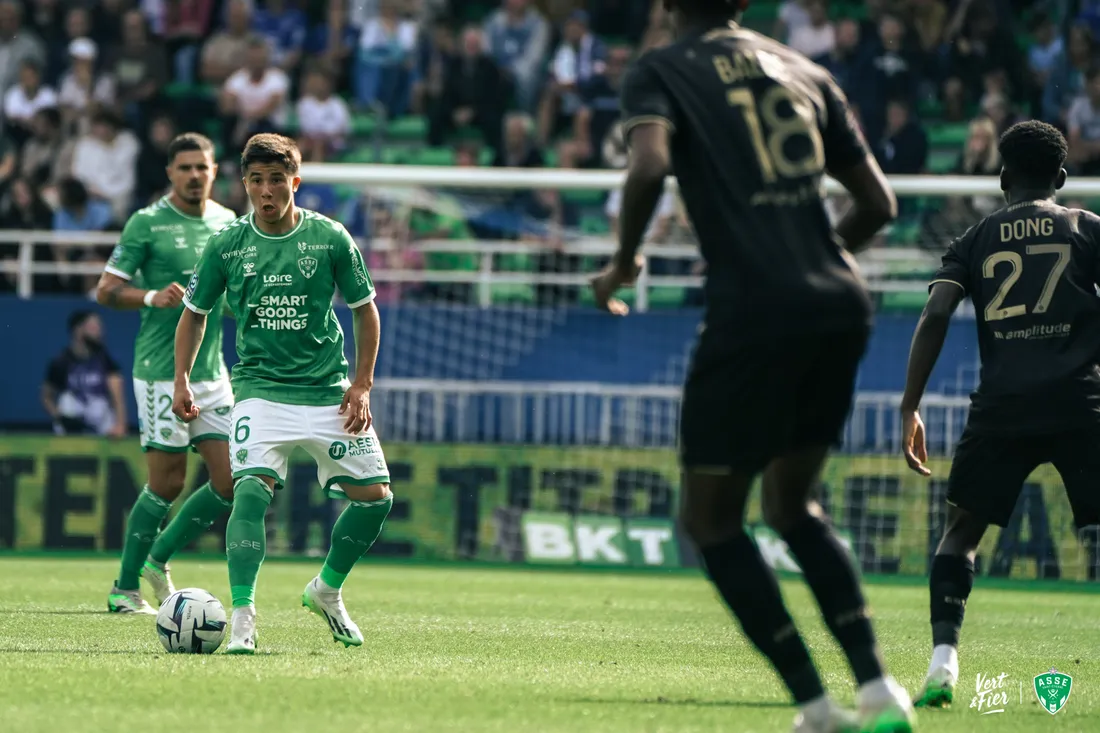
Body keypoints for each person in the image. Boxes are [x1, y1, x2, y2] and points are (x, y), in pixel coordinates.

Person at [588, 1, 914, 731]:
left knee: (711, 520)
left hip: (753, 310)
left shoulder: (662, 68)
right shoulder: (806, 69)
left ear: (669, 5)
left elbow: (648, 164)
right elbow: (878, 203)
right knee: (792, 507)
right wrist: (812, 263)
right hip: (841, 303)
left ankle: (815, 704)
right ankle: (877, 688)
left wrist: (624, 260)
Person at [901, 120, 1100, 708]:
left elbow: (936, 314)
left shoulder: (976, 238)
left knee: (960, 535)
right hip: (1082, 404)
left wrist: (910, 404)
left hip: (1003, 407)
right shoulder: (1089, 229)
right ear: (1061, 177)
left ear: (1002, 175)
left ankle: (943, 665)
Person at [174, 133, 391, 655]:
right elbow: (194, 315)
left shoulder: (331, 238)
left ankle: (327, 589)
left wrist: (361, 384)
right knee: (249, 490)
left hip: (326, 390)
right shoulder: (228, 243)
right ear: (244, 184)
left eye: (276, 180)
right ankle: (244, 618)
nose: (266, 190)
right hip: (260, 390)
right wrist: (181, 377)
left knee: (375, 501)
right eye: (256, 180)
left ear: (295, 182)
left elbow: (365, 310)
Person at [95, 132, 238, 614]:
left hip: (213, 371)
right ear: (170, 174)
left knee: (230, 480)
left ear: (215, 171)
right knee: (168, 482)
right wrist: (152, 296)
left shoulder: (228, 223)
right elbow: (106, 290)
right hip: (159, 371)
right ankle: (124, 587)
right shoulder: (148, 223)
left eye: (202, 167)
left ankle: (157, 559)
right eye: (185, 168)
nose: (195, 175)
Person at [41, 310, 126, 437]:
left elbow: (118, 394)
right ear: (78, 330)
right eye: (94, 327)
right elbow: (46, 396)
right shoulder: (61, 361)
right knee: (67, 400)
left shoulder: (105, 360)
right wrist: (58, 415)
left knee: (99, 405)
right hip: (73, 417)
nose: (100, 332)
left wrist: (120, 425)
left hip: (100, 418)